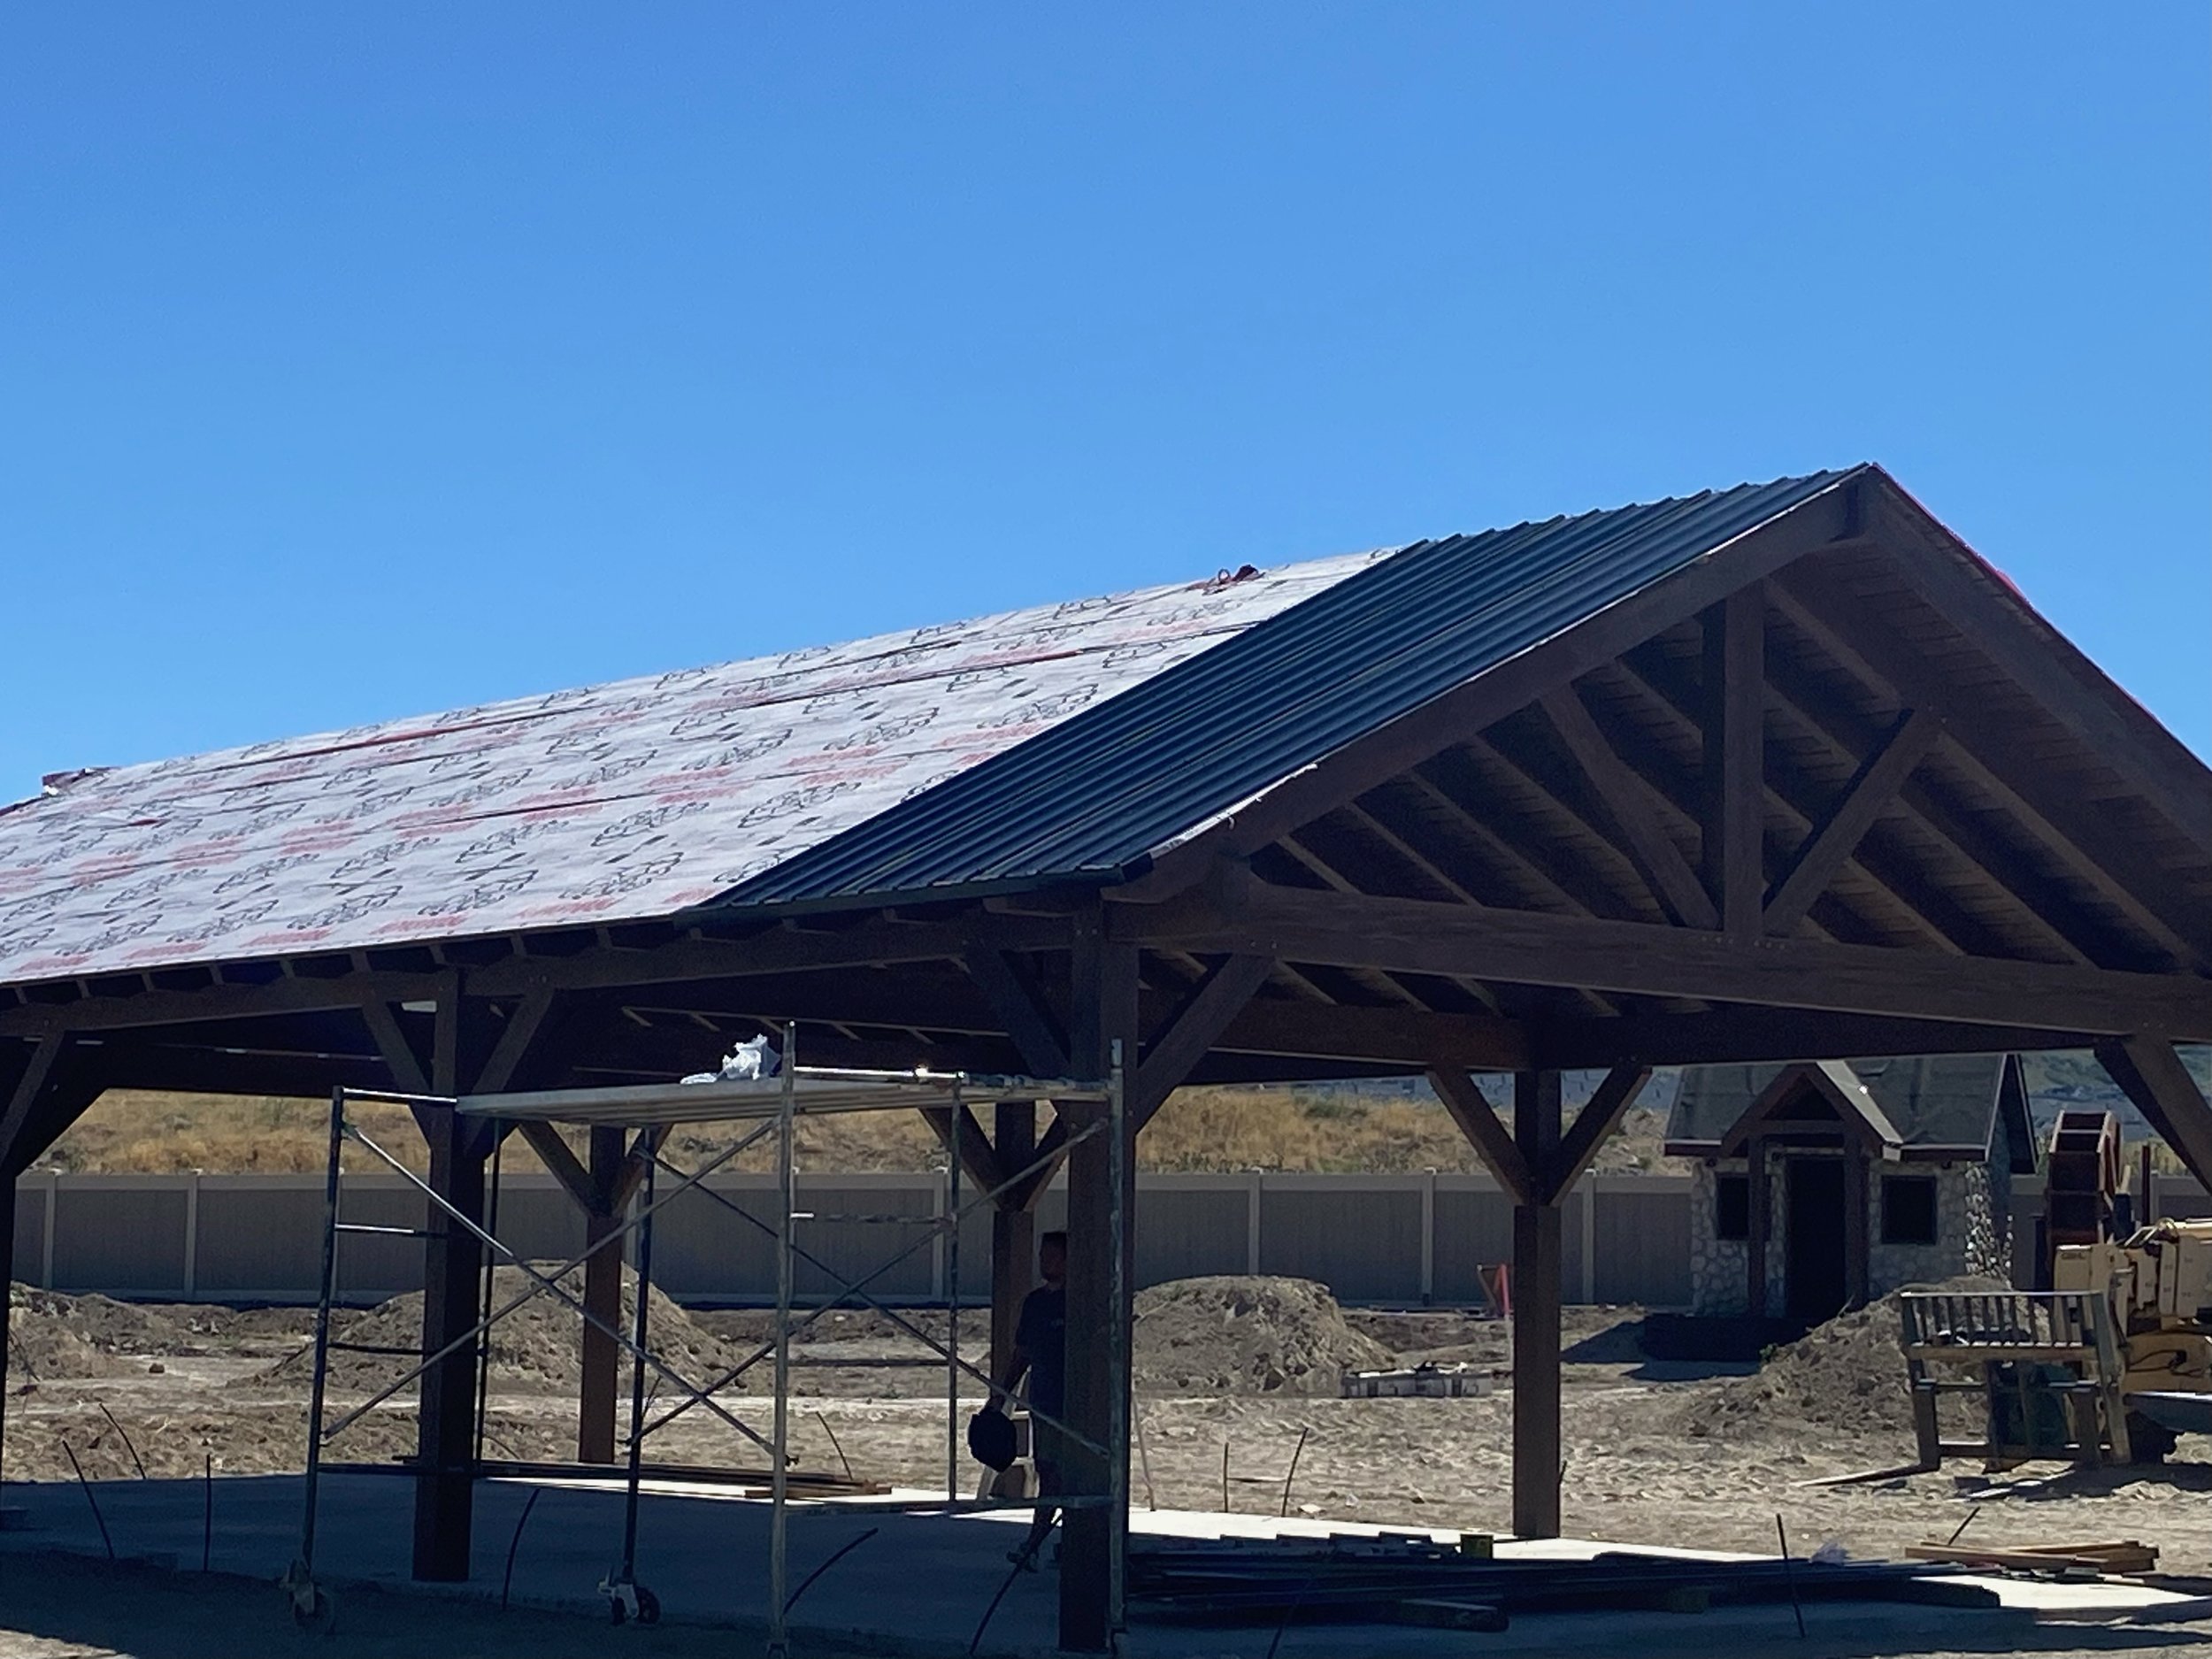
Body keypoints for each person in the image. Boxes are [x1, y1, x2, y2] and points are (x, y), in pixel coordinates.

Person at [995, 1229, 1067, 1569]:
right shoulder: (1035, 1303)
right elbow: (1022, 1353)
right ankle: (1035, 1543)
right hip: (1045, 1400)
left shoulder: (1080, 1302)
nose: (1045, 1262)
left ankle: (1072, 1541)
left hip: (1078, 1404)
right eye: (1042, 1256)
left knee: (1077, 1475)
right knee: (1047, 1471)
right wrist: (1001, 1394)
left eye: (1052, 1256)